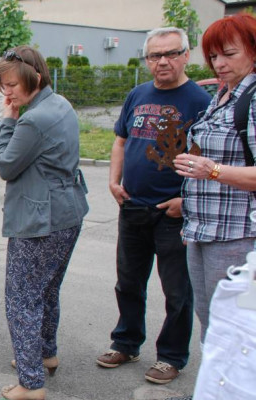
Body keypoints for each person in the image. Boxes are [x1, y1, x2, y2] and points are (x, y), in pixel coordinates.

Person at [96, 27, 210, 385]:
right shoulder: (137, 95)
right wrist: (114, 181)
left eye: (171, 53)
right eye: (155, 55)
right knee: (128, 282)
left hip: (174, 213)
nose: (163, 61)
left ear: (186, 55)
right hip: (133, 206)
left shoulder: (200, 101)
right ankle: (126, 342)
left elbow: (210, 157)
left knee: (177, 291)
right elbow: (120, 140)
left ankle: (171, 356)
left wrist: (186, 199)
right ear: (147, 59)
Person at [0, 46, 89, 400]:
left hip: (40, 218)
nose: (8, 93)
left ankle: (31, 384)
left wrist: (8, 119)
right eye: (3, 85)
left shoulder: (32, 119)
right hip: (67, 212)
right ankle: (45, 354)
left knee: (21, 299)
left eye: (13, 85)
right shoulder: (59, 103)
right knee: (46, 291)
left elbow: (5, 165)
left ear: (35, 77)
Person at [174, 13, 256, 342]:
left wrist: (214, 171)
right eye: (213, 56)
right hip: (205, 231)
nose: (218, 63)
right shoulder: (223, 97)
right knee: (212, 323)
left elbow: (218, 168)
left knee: (235, 330)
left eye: (229, 54)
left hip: (238, 235)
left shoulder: (251, 100)